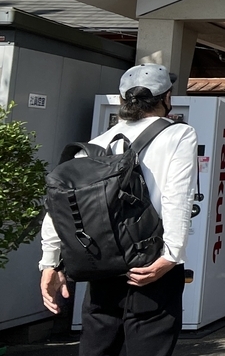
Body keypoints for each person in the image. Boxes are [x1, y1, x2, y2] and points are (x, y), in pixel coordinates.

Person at [39, 64, 198, 356]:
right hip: (150, 263)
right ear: (166, 97)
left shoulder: (94, 145)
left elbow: (60, 205)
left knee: (98, 346)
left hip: (100, 262)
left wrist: (51, 262)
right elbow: (178, 197)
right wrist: (171, 256)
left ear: (122, 99)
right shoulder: (178, 135)